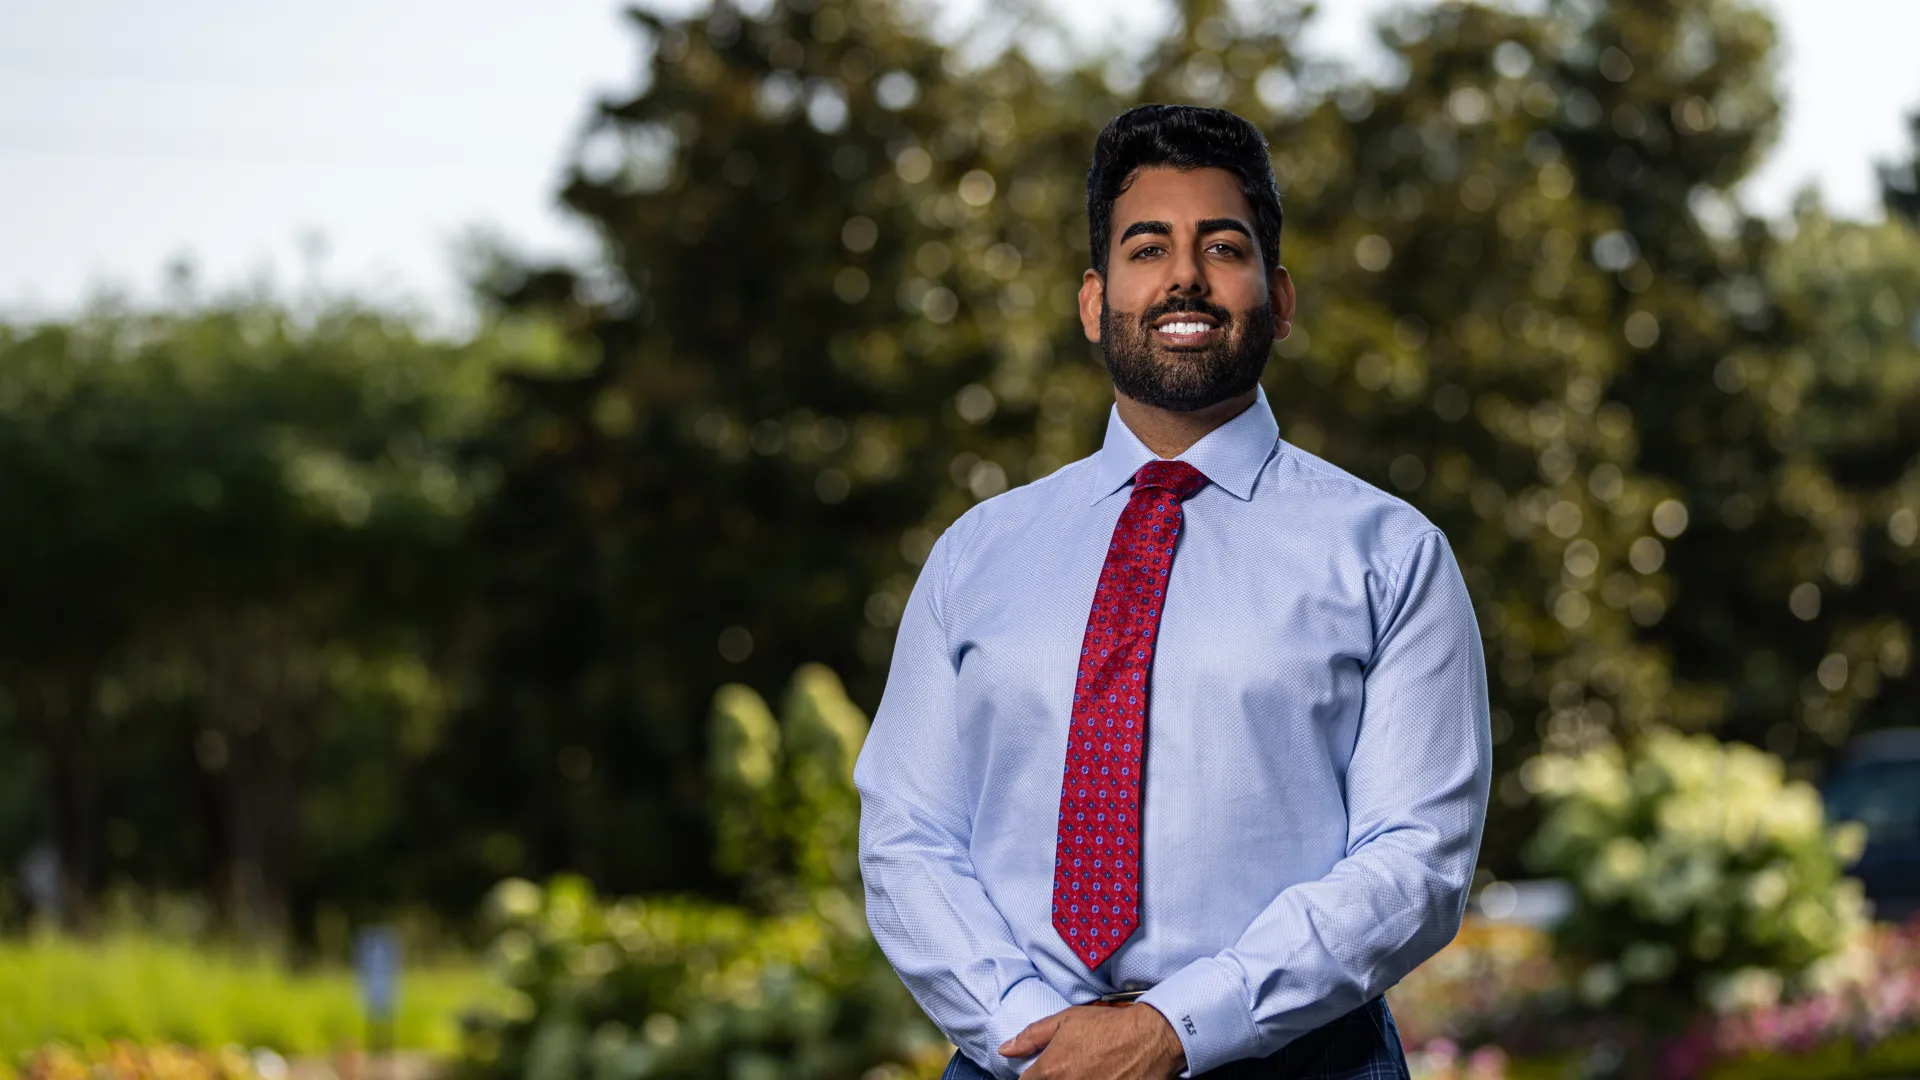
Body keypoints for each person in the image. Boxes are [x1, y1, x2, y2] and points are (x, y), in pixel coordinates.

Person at [853, 103, 1492, 1080]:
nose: (1184, 274)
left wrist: (1173, 1029)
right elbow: (906, 836)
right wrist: (1037, 1038)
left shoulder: (1391, 556)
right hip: (1019, 1065)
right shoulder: (977, 554)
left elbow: (1417, 861)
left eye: (1222, 246)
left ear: (1278, 300)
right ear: (1093, 300)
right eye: (1147, 246)